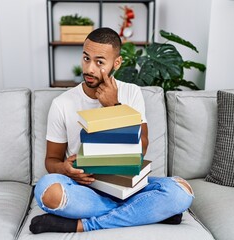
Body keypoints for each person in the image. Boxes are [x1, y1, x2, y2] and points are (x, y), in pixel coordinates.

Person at [29, 27, 194, 234]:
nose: (89, 69)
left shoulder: (131, 93)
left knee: (181, 192)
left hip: (126, 184)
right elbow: (51, 160)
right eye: (86, 58)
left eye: (99, 62)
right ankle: (146, 212)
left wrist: (113, 107)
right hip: (84, 188)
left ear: (116, 63)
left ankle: (83, 225)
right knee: (46, 190)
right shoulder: (62, 103)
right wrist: (65, 169)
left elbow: (141, 147)